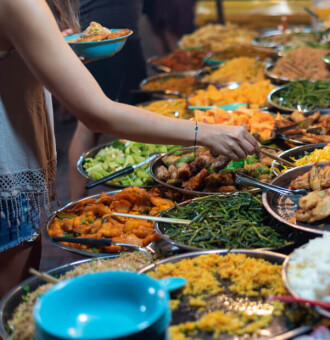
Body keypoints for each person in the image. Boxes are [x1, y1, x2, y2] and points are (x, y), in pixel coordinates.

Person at [0, 0, 258, 297]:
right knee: (13, 304)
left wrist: (48, 49)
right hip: (9, 183)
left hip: (16, 171)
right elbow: (99, 114)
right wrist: (204, 132)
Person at [68, 0, 148, 200]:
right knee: (88, 125)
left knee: (137, 114)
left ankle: (137, 193)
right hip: (99, 45)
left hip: (126, 38)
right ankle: (75, 203)